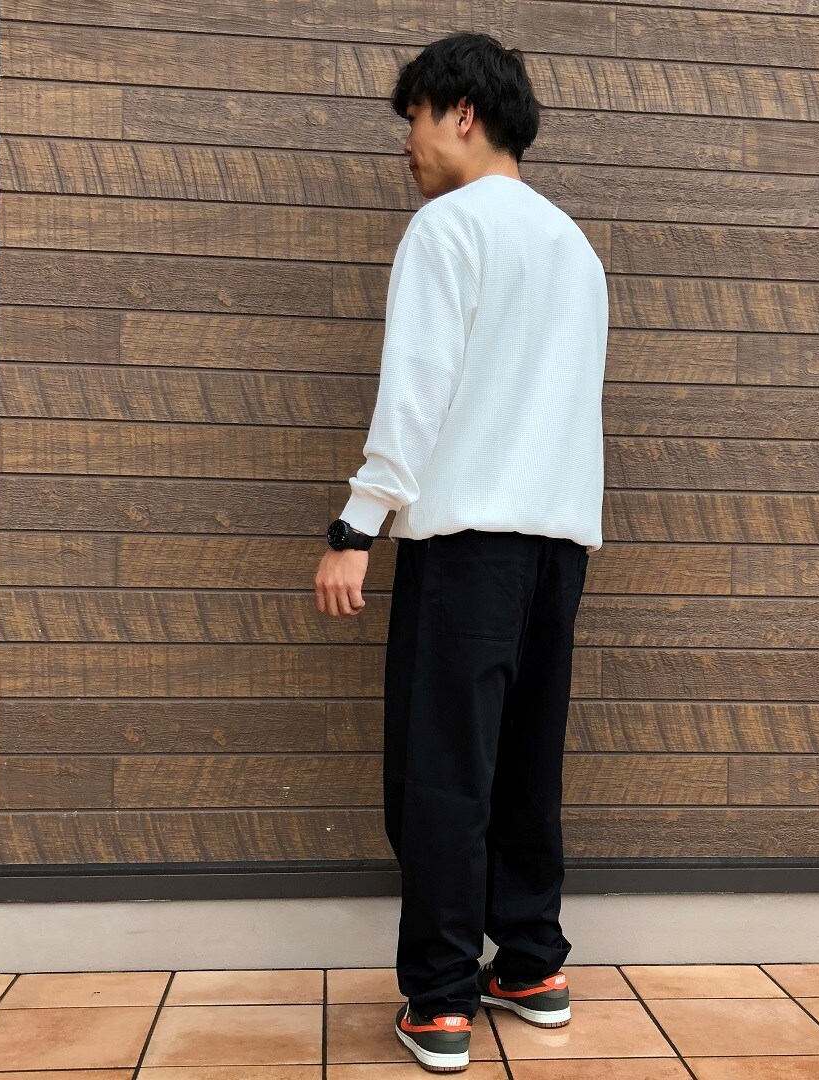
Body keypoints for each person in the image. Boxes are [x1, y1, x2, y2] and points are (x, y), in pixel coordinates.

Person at [314, 31, 608, 1073]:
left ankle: (440, 1003)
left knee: (442, 770)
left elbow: (418, 388)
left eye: (413, 120)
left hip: (469, 542)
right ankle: (530, 964)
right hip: (559, 545)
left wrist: (357, 525)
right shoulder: (572, 246)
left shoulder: (449, 226)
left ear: (463, 113)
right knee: (525, 762)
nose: (408, 145)